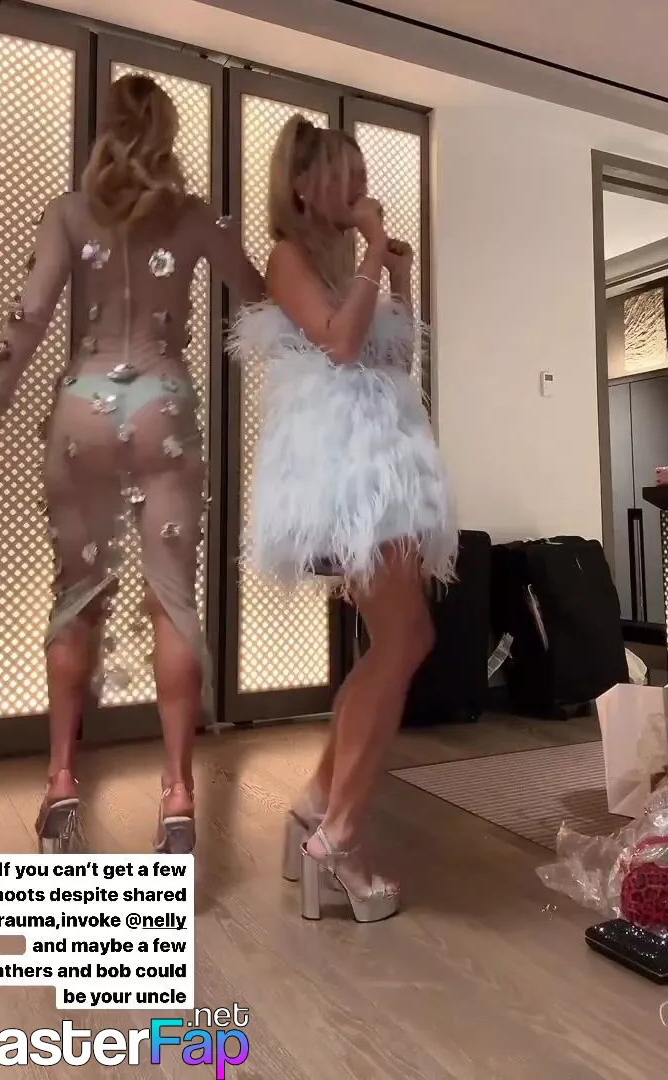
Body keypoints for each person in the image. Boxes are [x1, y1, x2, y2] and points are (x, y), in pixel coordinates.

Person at [0, 74, 263, 855]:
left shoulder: (69, 211)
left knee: (78, 596)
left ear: (103, 128)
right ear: (168, 131)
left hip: (85, 406)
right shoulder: (195, 218)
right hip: (163, 402)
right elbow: (259, 297)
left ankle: (61, 781)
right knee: (172, 602)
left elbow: (30, 313)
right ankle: (178, 794)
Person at [228, 116, 457, 922]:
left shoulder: (341, 260)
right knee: (405, 638)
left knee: (396, 640)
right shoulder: (288, 257)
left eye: (361, 173)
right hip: (342, 471)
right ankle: (340, 834)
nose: (360, 187)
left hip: (382, 465)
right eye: (343, 176)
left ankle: (317, 808)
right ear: (302, 188)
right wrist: (370, 253)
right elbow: (340, 344)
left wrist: (399, 274)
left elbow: (396, 358)